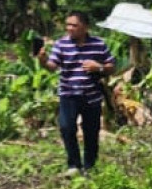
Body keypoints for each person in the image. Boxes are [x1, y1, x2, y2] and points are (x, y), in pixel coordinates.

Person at [38, 10, 116, 176]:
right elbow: (52, 67)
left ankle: (89, 166)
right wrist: (43, 61)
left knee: (91, 131)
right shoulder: (61, 44)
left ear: (85, 27)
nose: (69, 28)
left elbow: (111, 67)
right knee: (66, 128)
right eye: (68, 25)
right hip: (68, 94)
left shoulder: (98, 44)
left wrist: (98, 67)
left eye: (74, 25)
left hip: (91, 95)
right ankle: (74, 165)